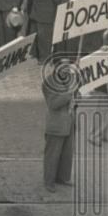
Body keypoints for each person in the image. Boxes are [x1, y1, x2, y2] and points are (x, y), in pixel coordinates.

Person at [42, 60, 76, 193]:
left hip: (69, 122)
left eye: (68, 67)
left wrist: (77, 98)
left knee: (66, 153)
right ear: (56, 67)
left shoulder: (70, 80)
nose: (66, 70)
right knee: (52, 154)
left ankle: (61, 177)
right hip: (56, 123)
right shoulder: (49, 83)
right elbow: (53, 104)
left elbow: (74, 97)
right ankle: (48, 181)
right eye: (63, 67)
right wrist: (69, 95)